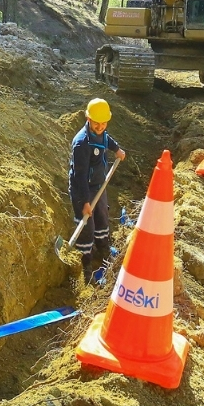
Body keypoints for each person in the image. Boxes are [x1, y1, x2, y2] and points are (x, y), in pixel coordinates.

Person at [68, 98, 126, 284]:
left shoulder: (100, 132)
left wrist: (116, 149)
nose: (100, 127)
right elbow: (80, 176)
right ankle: (86, 262)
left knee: (101, 215)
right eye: (96, 123)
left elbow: (106, 139)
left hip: (98, 185)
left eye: (104, 123)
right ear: (88, 118)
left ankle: (103, 248)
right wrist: (84, 201)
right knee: (87, 225)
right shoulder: (81, 144)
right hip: (82, 189)